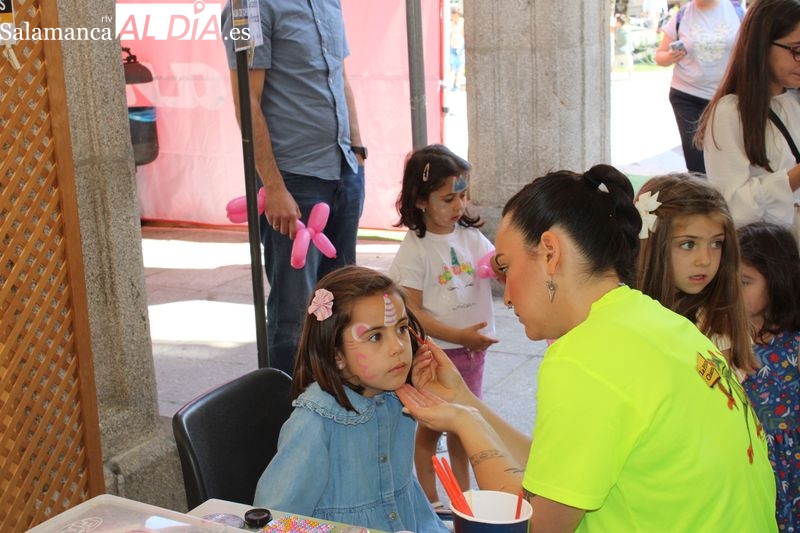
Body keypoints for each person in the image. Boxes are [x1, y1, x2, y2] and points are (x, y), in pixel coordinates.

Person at [398, 164, 777, 532]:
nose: (508, 296)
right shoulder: (655, 322)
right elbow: (557, 475)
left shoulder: (587, 355)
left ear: (550, 252)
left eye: (507, 267)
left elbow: (535, 524)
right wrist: (465, 402)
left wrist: (466, 425)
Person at [221, 0, 366, 375]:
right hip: (293, 180)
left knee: (340, 298)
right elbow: (245, 98)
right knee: (294, 311)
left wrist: (358, 149)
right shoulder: (247, 7)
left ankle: (337, 393)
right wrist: (273, 185)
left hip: (344, 170)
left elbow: (340, 77)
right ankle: (289, 411)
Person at [253, 265, 448, 533]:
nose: (398, 347)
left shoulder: (395, 399)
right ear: (337, 355)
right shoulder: (314, 425)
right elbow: (275, 520)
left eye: (401, 329)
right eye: (376, 336)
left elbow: (406, 501)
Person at [389, 144, 497, 510]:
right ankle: (432, 498)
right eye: (448, 198)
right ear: (420, 200)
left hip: (472, 353)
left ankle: (464, 497)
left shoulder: (470, 236)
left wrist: (504, 266)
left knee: (465, 425)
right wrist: (458, 336)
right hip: (437, 358)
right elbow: (413, 312)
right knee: (431, 427)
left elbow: (494, 265)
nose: (459, 207)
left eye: (463, 196)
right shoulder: (416, 248)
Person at [634, 174, 757, 377]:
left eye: (716, 243)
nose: (705, 260)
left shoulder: (717, 325)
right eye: (688, 244)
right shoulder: (621, 308)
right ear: (653, 245)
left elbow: (713, 393)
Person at [697, 0, 800, 236]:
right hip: (769, 257)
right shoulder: (730, 112)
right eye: (797, 50)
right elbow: (732, 207)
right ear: (762, 45)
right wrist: (793, 178)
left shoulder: (794, 100)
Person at [737, 221, 800, 531]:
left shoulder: (794, 347)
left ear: (777, 282)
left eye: (745, 281)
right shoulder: (722, 337)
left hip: (789, 473)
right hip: (745, 467)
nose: (733, 289)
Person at [654, 0, 743, 173]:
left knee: (727, 156)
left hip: (727, 96)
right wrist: (670, 56)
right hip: (687, 95)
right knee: (696, 161)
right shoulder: (682, 14)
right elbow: (659, 56)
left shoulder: (736, 11)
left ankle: (725, 197)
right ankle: (701, 198)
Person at [449, 7, 465, 90]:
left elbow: (464, 35)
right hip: (452, 47)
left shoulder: (462, 23)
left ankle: (457, 84)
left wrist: (462, 47)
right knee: (452, 67)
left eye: (455, 16)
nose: (454, 18)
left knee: (460, 67)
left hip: (460, 48)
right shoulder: (450, 23)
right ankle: (451, 84)